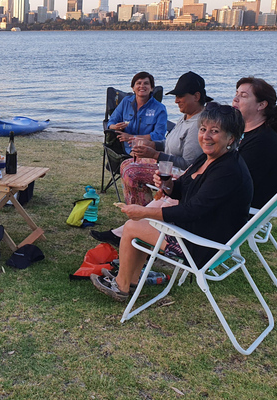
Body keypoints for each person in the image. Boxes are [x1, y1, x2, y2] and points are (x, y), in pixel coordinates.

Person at [91, 103, 253, 302]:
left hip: (203, 245)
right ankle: (132, 280)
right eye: (203, 129)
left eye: (215, 131)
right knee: (142, 223)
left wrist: (144, 212)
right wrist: (167, 185)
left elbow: (192, 211)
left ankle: (121, 286)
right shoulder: (208, 158)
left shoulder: (228, 171)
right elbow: (182, 189)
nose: (206, 136)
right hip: (198, 231)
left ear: (231, 138)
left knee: (134, 225)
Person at [92, 71, 212, 246]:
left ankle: (141, 225)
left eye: (180, 96)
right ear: (132, 87)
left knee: (131, 171)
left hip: (182, 175)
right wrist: (152, 147)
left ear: (196, 96)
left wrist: (153, 152)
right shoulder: (185, 116)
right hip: (161, 161)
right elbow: (168, 143)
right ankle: (136, 225)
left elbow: (188, 164)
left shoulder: (197, 125)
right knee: (128, 165)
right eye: (176, 96)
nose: (176, 100)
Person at [232, 77, 277, 208]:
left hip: (239, 211)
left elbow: (234, 181)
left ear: (261, 105)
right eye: (236, 94)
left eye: (243, 96)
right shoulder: (243, 133)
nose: (235, 99)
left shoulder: (264, 141)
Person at [107, 71, 168, 154]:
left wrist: (132, 137)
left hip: (149, 148)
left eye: (146, 83)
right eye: (138, 83)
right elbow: (111, 122)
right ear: (133, 88)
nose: (142, 86)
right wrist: (115, 127)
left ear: (151, 88)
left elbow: (159, 135)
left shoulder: (160, 108)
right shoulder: (125, 102)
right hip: (126, 148)